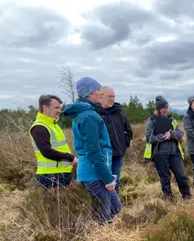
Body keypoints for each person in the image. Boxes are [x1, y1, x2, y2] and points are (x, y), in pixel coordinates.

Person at [62, 77, 121, 224]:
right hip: (94, 172)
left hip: (95, 170)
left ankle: (109, 237)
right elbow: (93, 151)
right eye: (98, 91)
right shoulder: (88, 116)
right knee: (105, 213)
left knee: (115, 206)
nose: (100, 94)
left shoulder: (87, 114)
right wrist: (107, 178)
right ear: (89, 94)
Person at [144, 95, 191, 200]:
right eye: (162, 108)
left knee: (181, 175)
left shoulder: (172, 120)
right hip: (160, 154)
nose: (165, 110)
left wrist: (171, 134)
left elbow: (180, 133)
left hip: (174, 152)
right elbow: (149, 137)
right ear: (158, 109)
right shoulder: (152, 120)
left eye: (166, 107)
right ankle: (169, 198)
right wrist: (163, 137)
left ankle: (187, 195)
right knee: (165, 178)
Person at [29, 94, 78, 189]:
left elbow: (60, 149)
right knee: (53, 204)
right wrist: (71, 158)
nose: (60, 111)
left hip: (62, 173)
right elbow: (47, 152)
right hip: (50, 176)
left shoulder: (54, 125)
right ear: (45, 108)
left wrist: (74, 158)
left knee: (63, 203)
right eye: (56, 107)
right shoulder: (39, 127)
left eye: (60, 108)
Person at [97, 86, 133, 192]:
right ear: (101, 97)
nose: (112, 99)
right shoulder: (95, 114)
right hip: (103, 156)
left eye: (113, 96)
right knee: (103, 182)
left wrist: (124, 146)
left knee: (115, 181)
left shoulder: (119, 112)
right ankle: (105, 205)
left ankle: (115, 204)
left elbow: (128, 131)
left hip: (118, 154)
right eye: (109, 96)